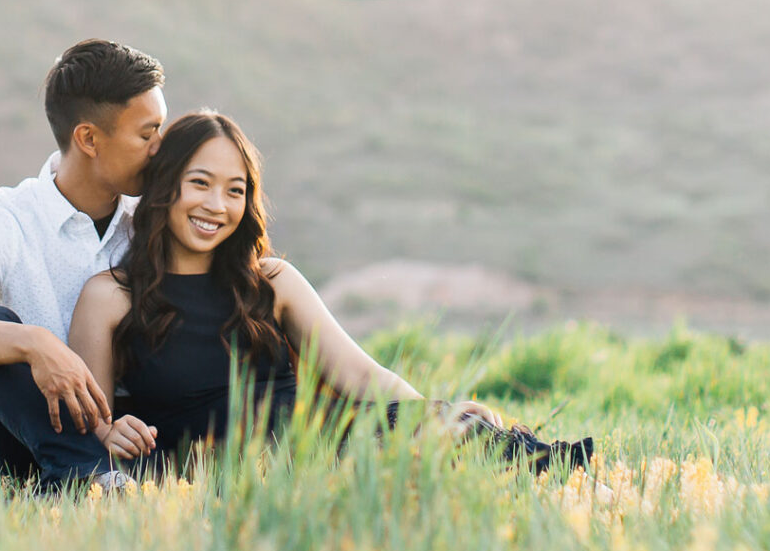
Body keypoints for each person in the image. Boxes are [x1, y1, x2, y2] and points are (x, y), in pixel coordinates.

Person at [66, 110, 590, 476]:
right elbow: (91, 430)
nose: (217, 205)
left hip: (320, 444)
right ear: (165, 187)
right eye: (199, 183)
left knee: (464, 428)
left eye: (235, 189)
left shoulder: (270, 281)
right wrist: (113, 434)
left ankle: (570, 483)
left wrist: (432, 414)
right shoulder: (109, 297)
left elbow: (362, 376)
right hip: (208, 468)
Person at [0, 38, 168, 497]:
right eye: (147, 134)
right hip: (41, 435)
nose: (161, 148)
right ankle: (91, 482)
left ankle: (58, 494)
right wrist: (35, 344)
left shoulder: (158, 216)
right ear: (88, 139)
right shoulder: (7, 217)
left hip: (145, 432)